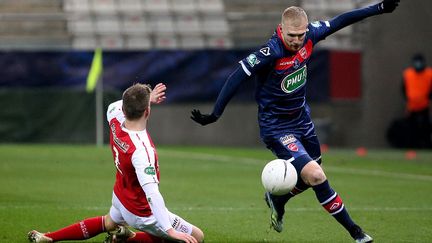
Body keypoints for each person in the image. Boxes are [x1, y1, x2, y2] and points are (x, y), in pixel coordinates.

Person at [191, 0, 400, 242]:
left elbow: (342, 20)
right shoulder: (270, 52)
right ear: (281, 29)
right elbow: (236, 76)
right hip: (277, 128)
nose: (297, 40)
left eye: (301, 35)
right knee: (317, 176)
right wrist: (215, 113)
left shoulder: (311, 34)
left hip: (302, 120)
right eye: (292, 35)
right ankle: (356, 233)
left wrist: (380, 7)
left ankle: (277, 199)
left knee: (311, 176)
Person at [28, 83, 204, 243]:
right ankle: (128, 240)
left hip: (121, 196)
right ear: (147, 111)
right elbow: (152, 193)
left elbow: (121, 104)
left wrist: (145, 99)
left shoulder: (114, 117)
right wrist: (169, 230)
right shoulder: (142, 150)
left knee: (108, 222)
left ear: (124, 109)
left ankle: (49, 238)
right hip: (141, 211)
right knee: (195, 237)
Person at [402, 54, 432, 148]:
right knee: (411, 127)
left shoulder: (429, 74)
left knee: (426, 127)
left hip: (425, 105)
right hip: (411, 106)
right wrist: (407, 99)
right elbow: (403, 88)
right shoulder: (408, 74)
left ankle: (426, 146)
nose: (418, 64)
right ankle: (411, 146)